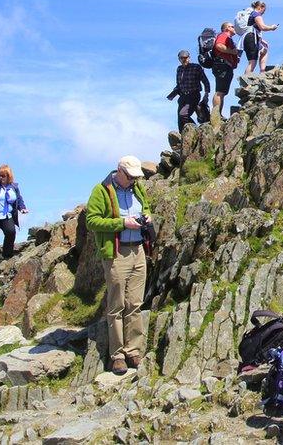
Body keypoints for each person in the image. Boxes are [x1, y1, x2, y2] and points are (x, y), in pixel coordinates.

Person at [85, 155, 151, 375]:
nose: (133, 180)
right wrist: (122, 222)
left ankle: (134, 351)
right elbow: (91, 220)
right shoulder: (101, 191)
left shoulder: (137, 189)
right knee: (117, 305)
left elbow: (146, 206)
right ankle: (118, 355)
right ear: (120, 172)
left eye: (136, 177)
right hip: (116, 252)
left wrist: (147, 217)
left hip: (138, 249)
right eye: (130, 176)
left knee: (135, 303)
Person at [167, 50, 210, 132]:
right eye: (182, 58)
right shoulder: (179, 69)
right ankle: (182, 137)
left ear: (189, 58)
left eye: (186, 58)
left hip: (194, 95)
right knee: (180, 121)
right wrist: (174, 93)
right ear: (179, 59)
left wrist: (206, 94)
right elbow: (178, 84)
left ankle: (196, 131)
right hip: (183, 97)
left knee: (183, 114)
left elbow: (205, 81)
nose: (184, 60)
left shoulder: (196, 67)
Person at [211, 21, 239, 121]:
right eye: (231, 26)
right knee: (220, 92)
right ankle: (215, 115)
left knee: (222, 92)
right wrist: (232, 51)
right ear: (226, 28)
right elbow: (219, 46)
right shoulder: (224, 35)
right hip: (222, 65)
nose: (234, 28)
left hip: (224, 65)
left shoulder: (228, 38)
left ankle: (218, 114)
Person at [242, 1, 278, 76]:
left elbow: (253, 29)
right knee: (252, 62)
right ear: (260, 7)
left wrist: (261, 41)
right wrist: (272, 27)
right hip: (251, 38)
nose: (263, 13)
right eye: (263, 10)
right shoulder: (256, 14)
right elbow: (263, 27)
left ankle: (262, 71)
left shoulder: (250, 14)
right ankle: (246, 81)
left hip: (248, 38)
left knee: (264, 50)